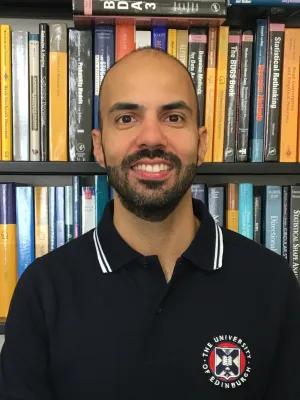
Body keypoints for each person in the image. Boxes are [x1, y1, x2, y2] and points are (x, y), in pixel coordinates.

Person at [0, 47, 300, 400]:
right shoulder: (44, 291)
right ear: (99, 146)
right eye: (127, 118)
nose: (152, 138)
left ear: (202, 142)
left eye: (173, 117)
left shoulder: (272, 283)